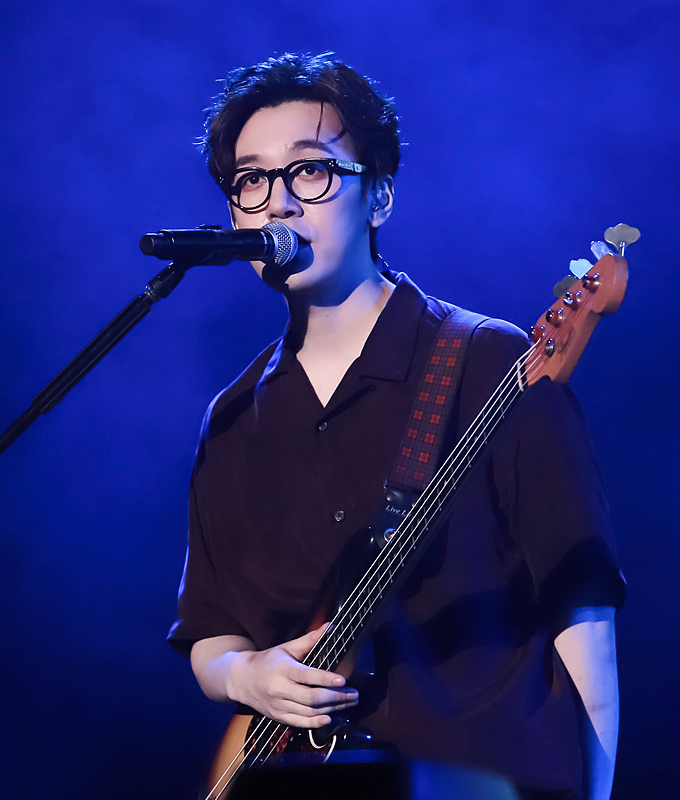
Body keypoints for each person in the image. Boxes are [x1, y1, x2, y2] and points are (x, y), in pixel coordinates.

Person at [167, 53, 625, 800]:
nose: (278, 203)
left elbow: (583, 611)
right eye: (251, 180)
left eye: (309, 171)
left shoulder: (492, 363)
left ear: (379, 196)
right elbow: (210, 631)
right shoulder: (234, 419)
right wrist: (245, 674)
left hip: (483, 778)